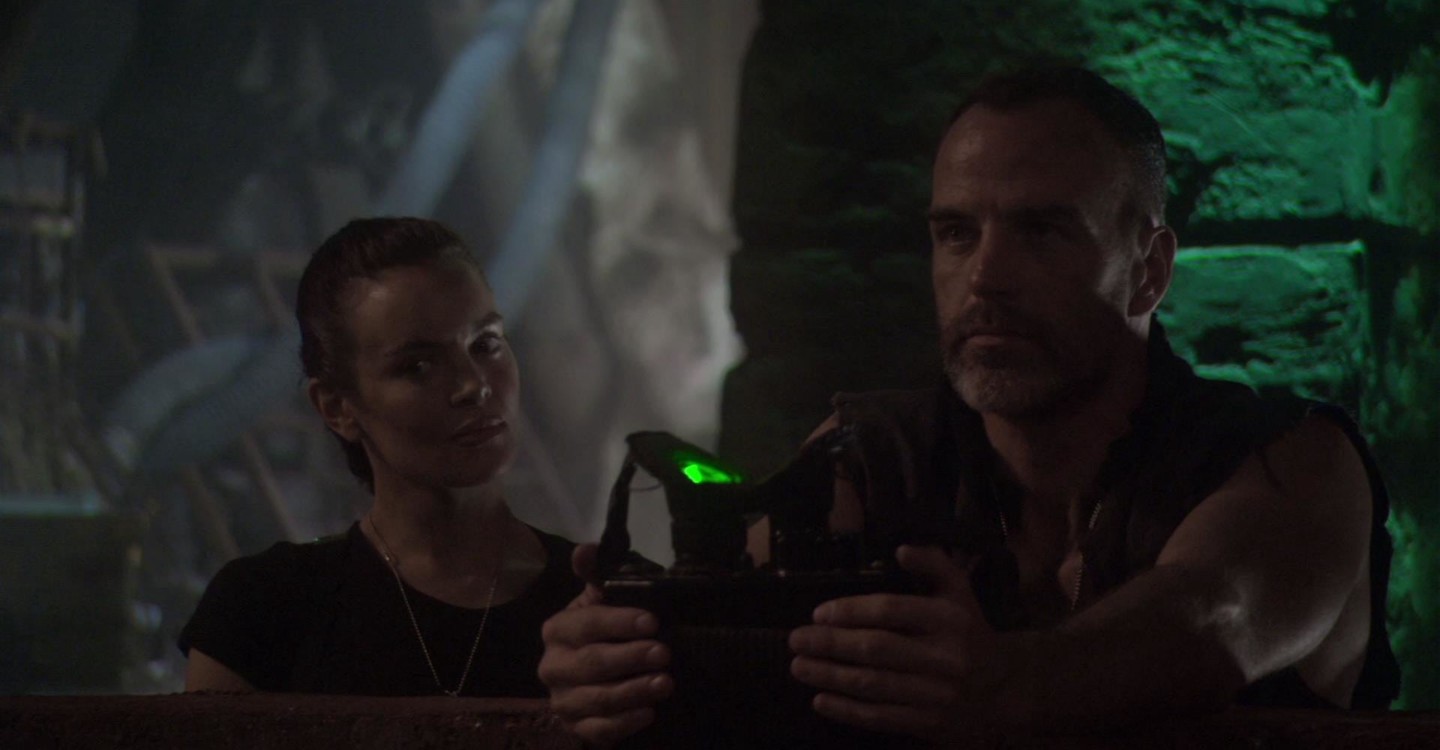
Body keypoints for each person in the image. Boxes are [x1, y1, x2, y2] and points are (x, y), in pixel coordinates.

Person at [537, 66, 1400, 745]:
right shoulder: (870, 455)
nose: (985, 277)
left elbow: (1213, 617)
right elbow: (727, 602)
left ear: (1150, 269)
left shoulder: (1292, 463)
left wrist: (1012, 684)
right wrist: (619, 652)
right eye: (956, 234)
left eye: (1041, 232)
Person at [180, 217, 583, 696]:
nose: (473, 384)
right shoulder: (264, 610)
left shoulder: (600, 607)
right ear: (337, 408)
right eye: (418, 366)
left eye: (486, 344)